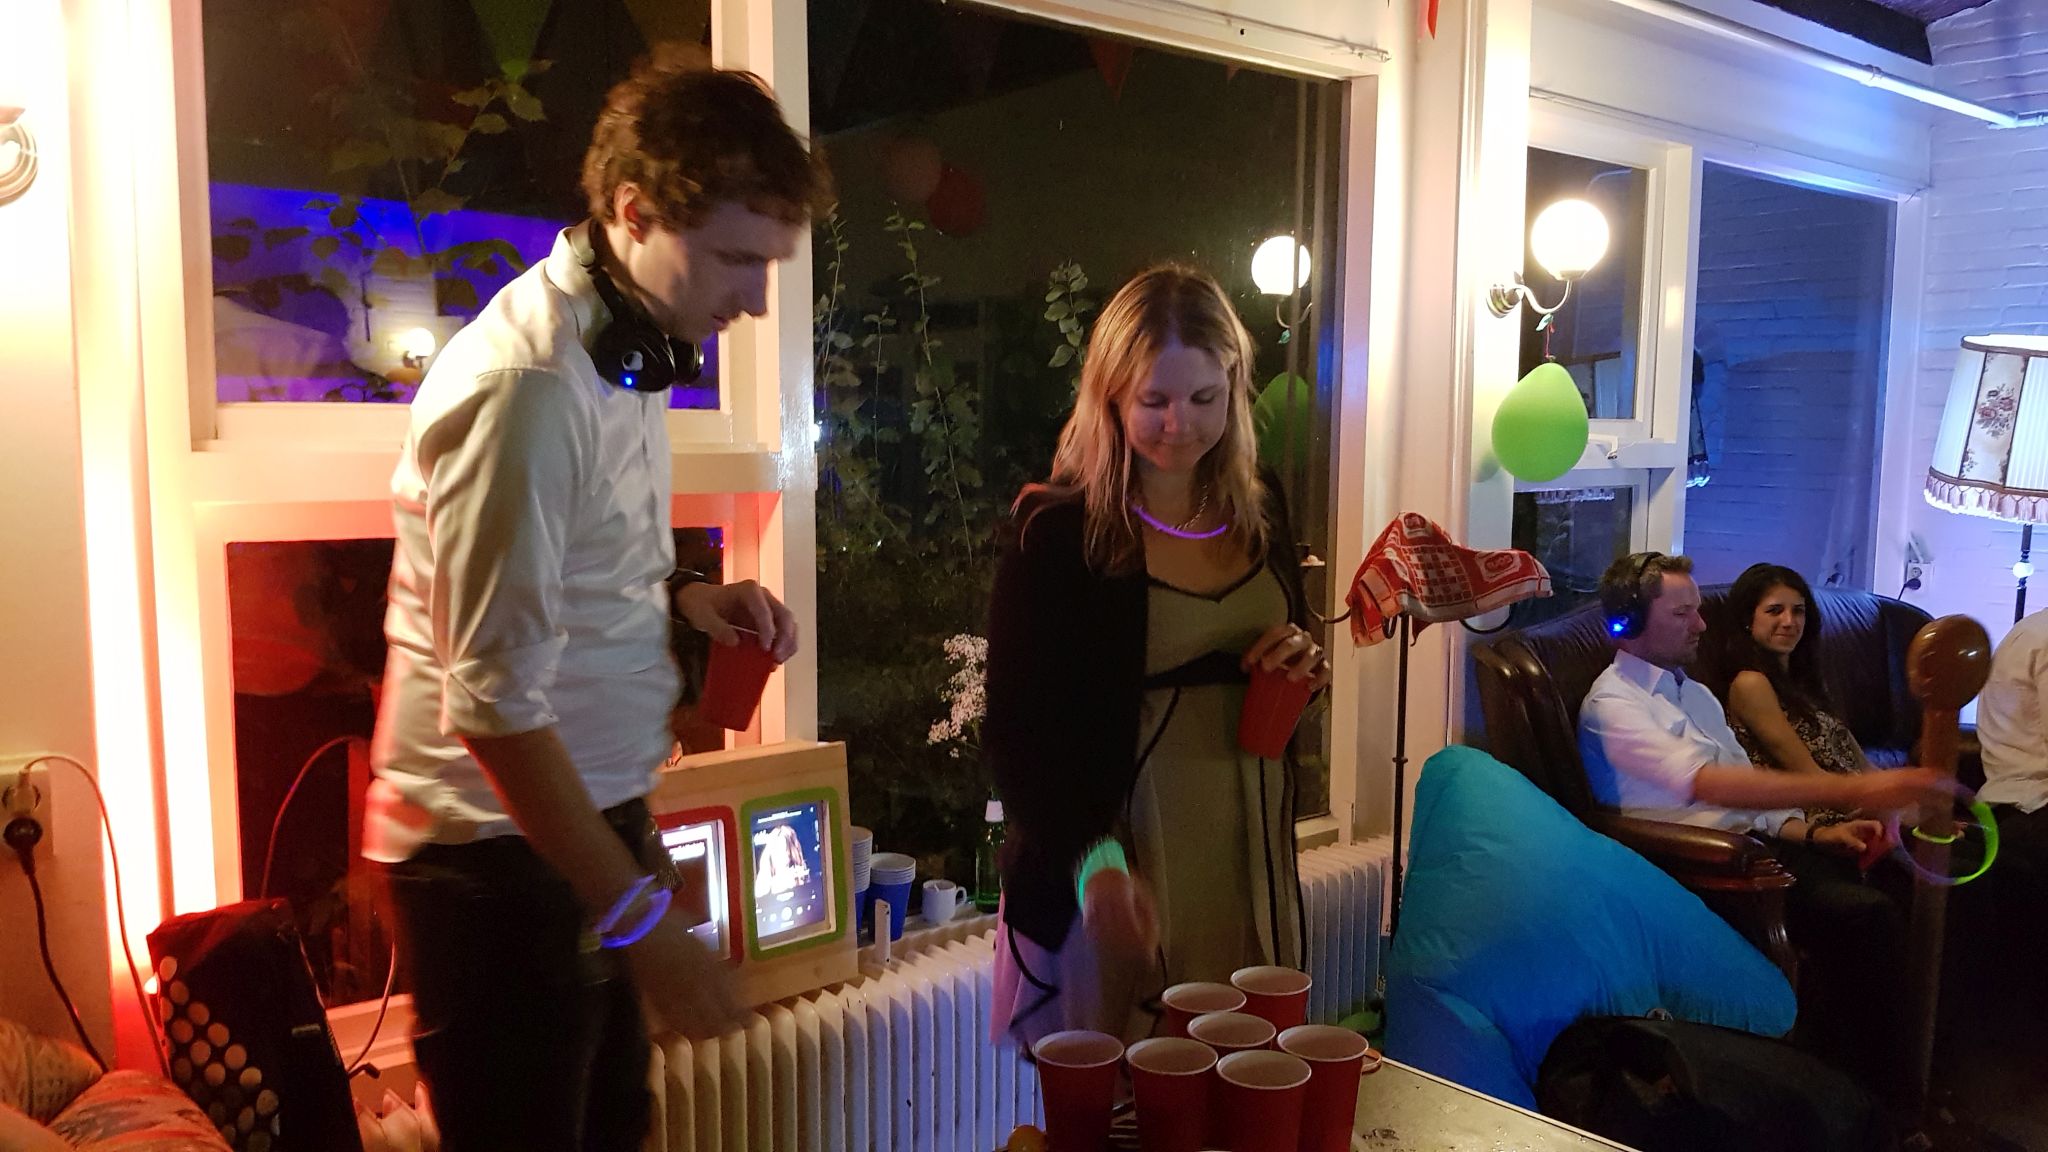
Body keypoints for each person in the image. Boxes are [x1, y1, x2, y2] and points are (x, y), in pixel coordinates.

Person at [364, 49, 826, 1151]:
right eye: (735, 258)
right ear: (632, 212)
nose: (755, 299)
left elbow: (572, 562)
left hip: (577, 828)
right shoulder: (525, 390)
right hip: (492, 864)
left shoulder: (625, 351)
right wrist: (639, 919)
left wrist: (691, 596)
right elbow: (491, 708)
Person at [983, 264, 1330, 1048]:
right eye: (1155, 401)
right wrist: (1096, 861)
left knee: (1245, 1082)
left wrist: (1302, 667)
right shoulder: (1058, 533)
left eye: (1205, 397)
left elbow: (1280, 650)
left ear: (1234, 386)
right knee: (1128, 1093)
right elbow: (1016, 739)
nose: (1181, 424)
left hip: (1246, 855)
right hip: (1115, 871)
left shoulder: (1262, 504)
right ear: (1110, 396)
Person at [1577, 552, 1947, 1098]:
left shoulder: (1693, 692)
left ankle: (1886, 1080)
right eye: (1682, 614)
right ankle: (1878, 1100)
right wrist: (1854, 791)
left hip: (1758, 849)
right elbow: (1711, 786)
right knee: (1866, 916)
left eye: (1697, 610)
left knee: (1901, 881)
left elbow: (1749, 791)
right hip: (1700, 873)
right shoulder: (1613, 706)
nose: (1701, 624)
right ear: (1628, 622)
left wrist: (1818, 833)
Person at [1708, 564, 1871, 827]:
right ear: (1748, 619)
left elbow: (1863, 765)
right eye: (1774, 611)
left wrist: (1903, 799)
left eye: (1798, 611)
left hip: (1855, 802)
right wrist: (1880, 806)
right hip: (1811, 818)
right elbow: (1807, 774)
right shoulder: (1750, 683)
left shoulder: (1807, 682)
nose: (1789, 622)